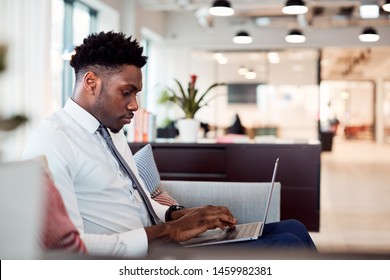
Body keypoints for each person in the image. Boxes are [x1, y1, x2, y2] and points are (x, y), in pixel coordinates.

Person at [23, 31, 317, 258]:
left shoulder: (111, 131)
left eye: (136, 93)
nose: (134, 105)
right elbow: (67, 248)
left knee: (294, 227)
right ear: (91, 83)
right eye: (126, 92)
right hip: (142, 260)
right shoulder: (53, 141)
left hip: (162, 243)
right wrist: (171, 232)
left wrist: (181, 215)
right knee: (288, 244)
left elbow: (135, 201)